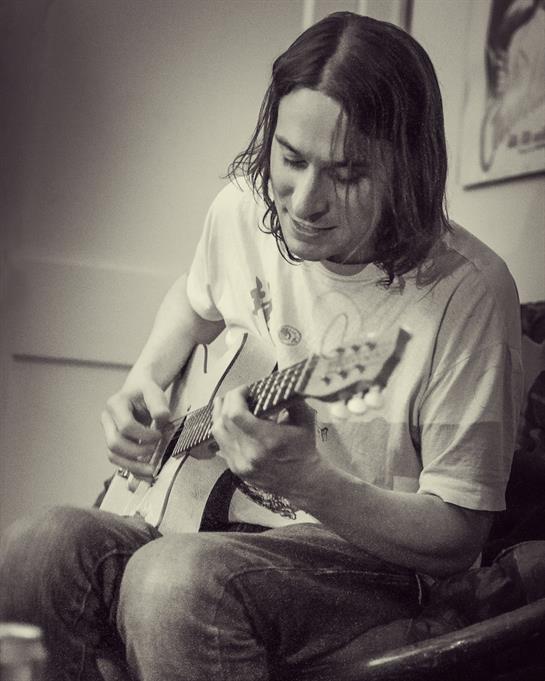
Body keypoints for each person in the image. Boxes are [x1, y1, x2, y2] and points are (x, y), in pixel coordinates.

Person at [0, 11, 522, 681]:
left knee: (169, 581)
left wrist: (308, 481)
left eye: (347, 173)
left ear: (408, 168)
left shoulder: (467, 292)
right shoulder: (243, 211)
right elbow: (193, 301)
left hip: (370, 563)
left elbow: (458, 534)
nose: (303, 202)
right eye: (291, 159)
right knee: (35, 548)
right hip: (209, 522)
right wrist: (144, 381)